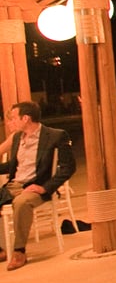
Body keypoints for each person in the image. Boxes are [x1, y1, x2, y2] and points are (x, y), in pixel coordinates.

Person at [0, 101, 76, 271]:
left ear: (25, 118)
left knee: (21, 203)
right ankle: (1, 250)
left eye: (13, 118)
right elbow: (14, 165)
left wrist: (45, 187)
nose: (10, 121)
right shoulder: (18, 138)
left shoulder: (55, 135)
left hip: (35, 187)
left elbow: (68, 167)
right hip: (14, 185)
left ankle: (19, 251)